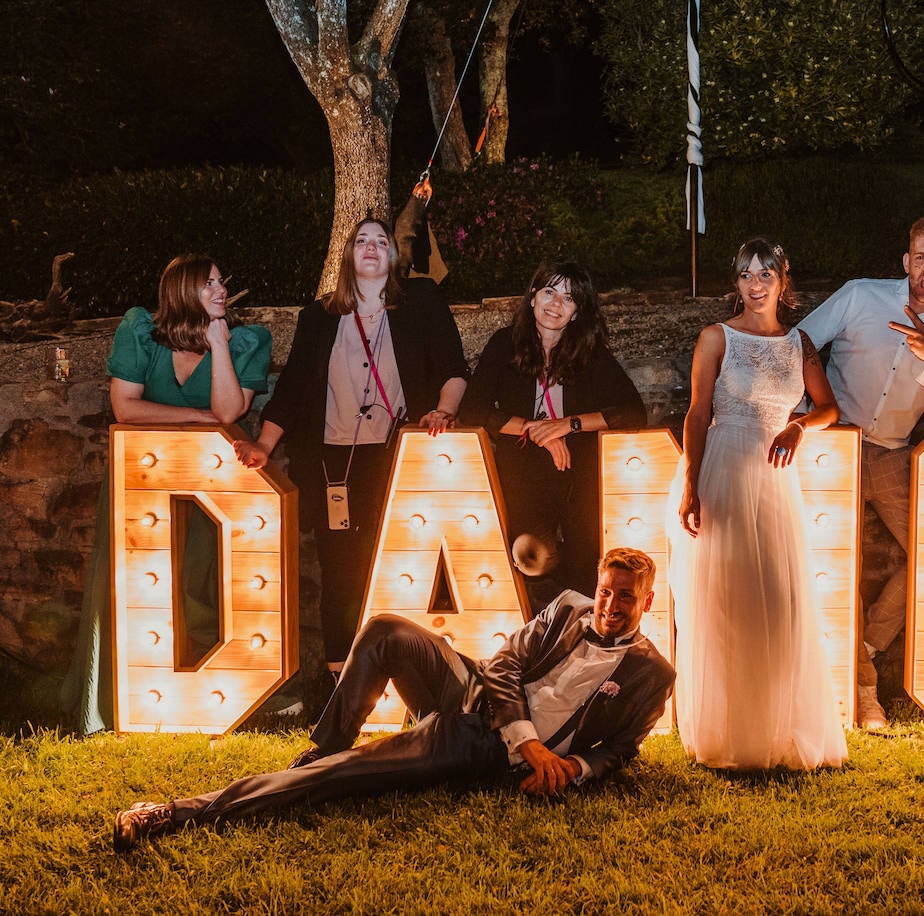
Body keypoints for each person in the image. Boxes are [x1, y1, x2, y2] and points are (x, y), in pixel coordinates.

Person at [112, 547, 675, 850]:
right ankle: (320, 749)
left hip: (476, 744)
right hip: (476, 692)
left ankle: (174, 813)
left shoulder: (652, 673)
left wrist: (570, 767)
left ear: (645, 603)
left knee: (344, 777)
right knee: (383, 628)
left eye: (625, 597)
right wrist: (529, 742)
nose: (609, 604)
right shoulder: (570, 606)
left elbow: (621, 748)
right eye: (606, 590)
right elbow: (504, 663)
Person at [234, 218, 469, 680]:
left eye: (381, 241)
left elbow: (453, 366)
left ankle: (404, 673)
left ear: (393, 258)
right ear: (347, 256)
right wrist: (264, 444)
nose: (371, 247)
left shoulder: (421, 303)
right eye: (361, 240)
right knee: (339, 568)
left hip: (395, 456)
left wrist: (443, 411)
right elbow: (294, 388)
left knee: (399, 562)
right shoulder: (318, 317)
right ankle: (341, 678)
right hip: (331, 462)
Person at [61, 254, 271, 735]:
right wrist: (202, 422)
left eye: (222, 281)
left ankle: (208, 691)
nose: (220, 290)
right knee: (133, 585)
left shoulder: (246, 342)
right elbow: (125, 408)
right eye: (209, 283)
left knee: (205, 581)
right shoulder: (140, 331)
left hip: (210, 486)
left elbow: (230, 407)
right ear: (181, 289)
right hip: (142, 481)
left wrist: (219, 345)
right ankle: (120, 695)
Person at [671, 238, 847, 771]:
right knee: (728, 602)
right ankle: (729, 733)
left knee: (778, 599)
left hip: (775, 482)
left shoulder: (801, 344)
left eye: (765, 273)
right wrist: (691, 487)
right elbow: (697, 414)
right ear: (737, 283)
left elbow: (829, 408)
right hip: (724, 469)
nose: (755, 284)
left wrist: (798, 425)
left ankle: (778, 729)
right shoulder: (716, 337)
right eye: (746, 274)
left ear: (782, 281)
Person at [796, 216, 924, 729]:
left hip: (895, 453)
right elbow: (799, 341)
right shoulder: (860, 296)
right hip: (835, 445)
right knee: (836, 564)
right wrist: (805, 405)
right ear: (905, 261)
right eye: (921, 256)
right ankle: (862, 694)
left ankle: (867, 645)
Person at [460, 261, 646, 603]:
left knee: (586, 562)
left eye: (569, 298)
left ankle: (577, 634)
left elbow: (632, 411)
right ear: (533, 298)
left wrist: (569, 424)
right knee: (531, 555)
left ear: (576, 312)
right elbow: (472, 410)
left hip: (578, 475)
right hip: (521, 470)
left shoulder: (589, 351)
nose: (556, 304)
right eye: (549, 292)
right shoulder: (505, 344)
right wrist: (533, 430)